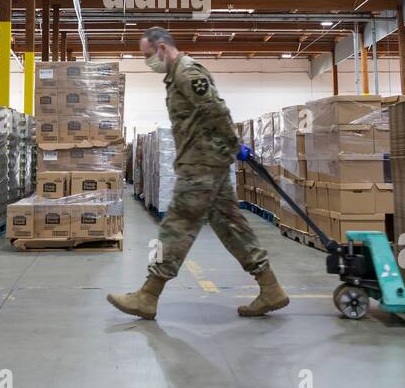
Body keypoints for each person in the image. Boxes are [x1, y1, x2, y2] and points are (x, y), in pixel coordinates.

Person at [107, 27, 289, 320]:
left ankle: (148, 294)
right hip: (206, 161)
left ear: (163, 48)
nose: (147, 61)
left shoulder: (187, 72)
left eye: (147, 55)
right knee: (230, 225)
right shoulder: (175, 75)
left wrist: (233, 144)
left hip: (202, 164)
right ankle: (271, 288)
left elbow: (215, 109)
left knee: (177, 224)